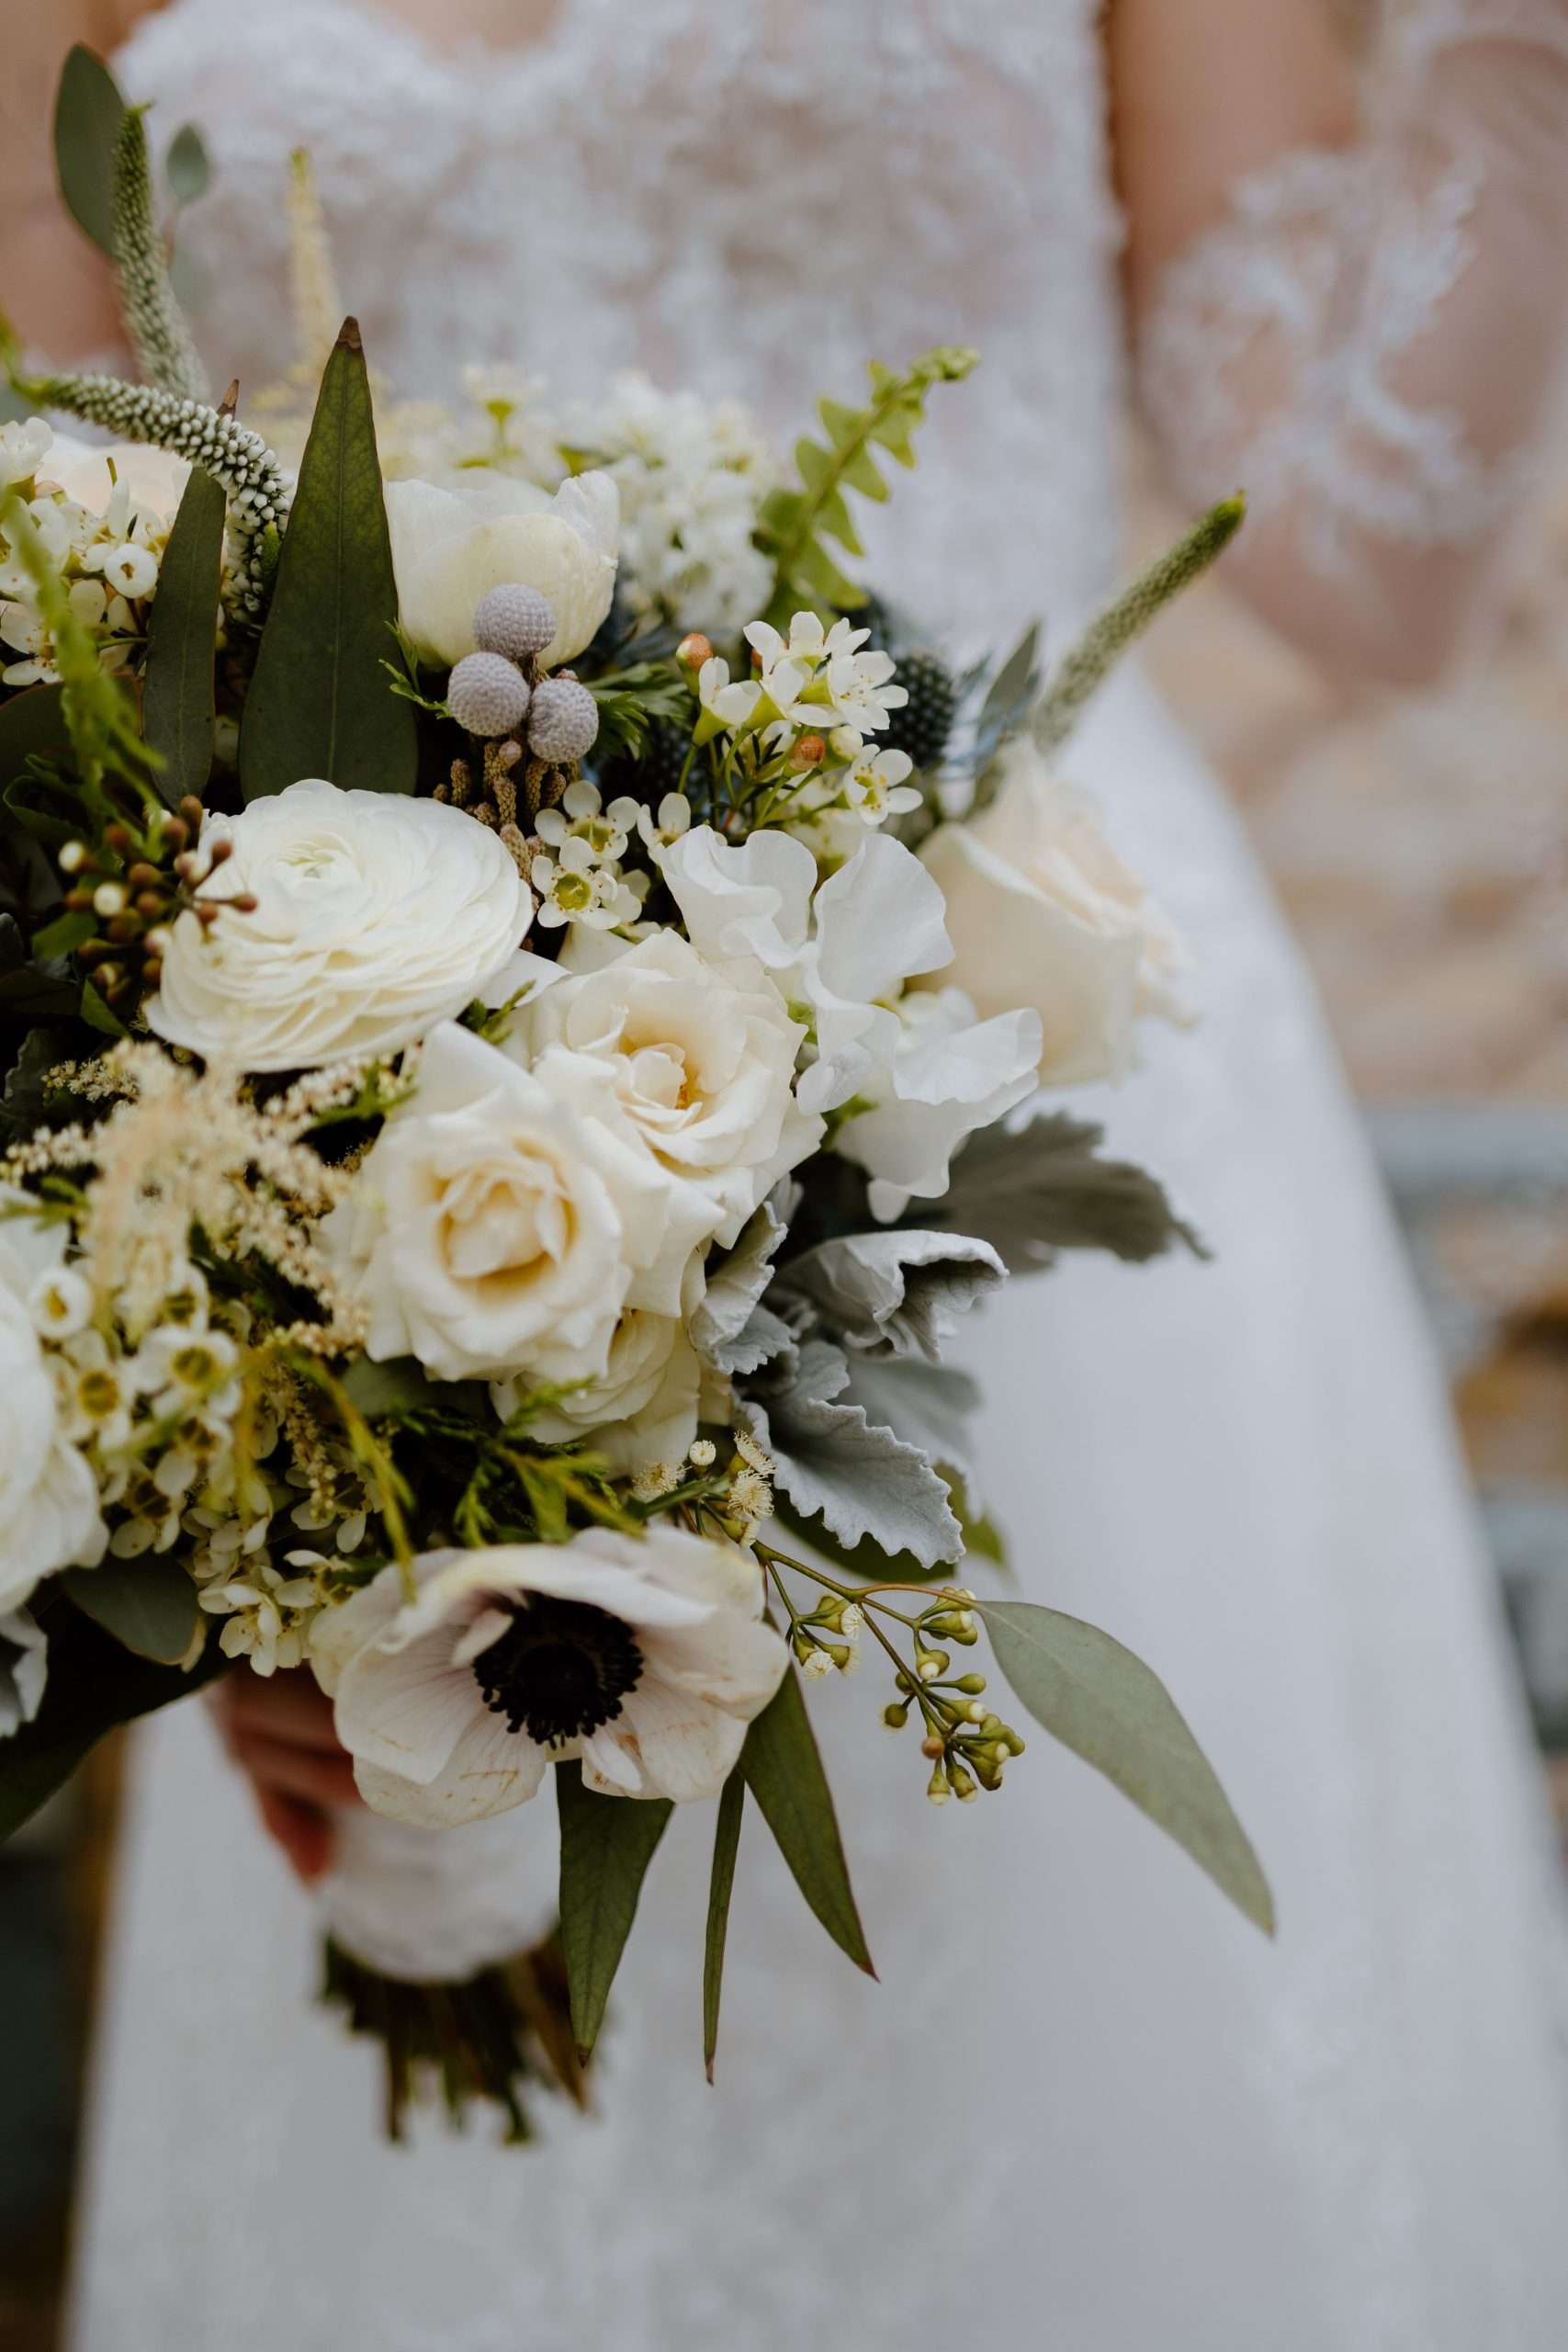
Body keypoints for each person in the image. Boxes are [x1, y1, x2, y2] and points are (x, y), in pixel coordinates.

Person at [8, 2, 1568, 2345]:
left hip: (1029, 1097)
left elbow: (1362, 559)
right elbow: (54, 581)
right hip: (348, 1108)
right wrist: (197, 1400)